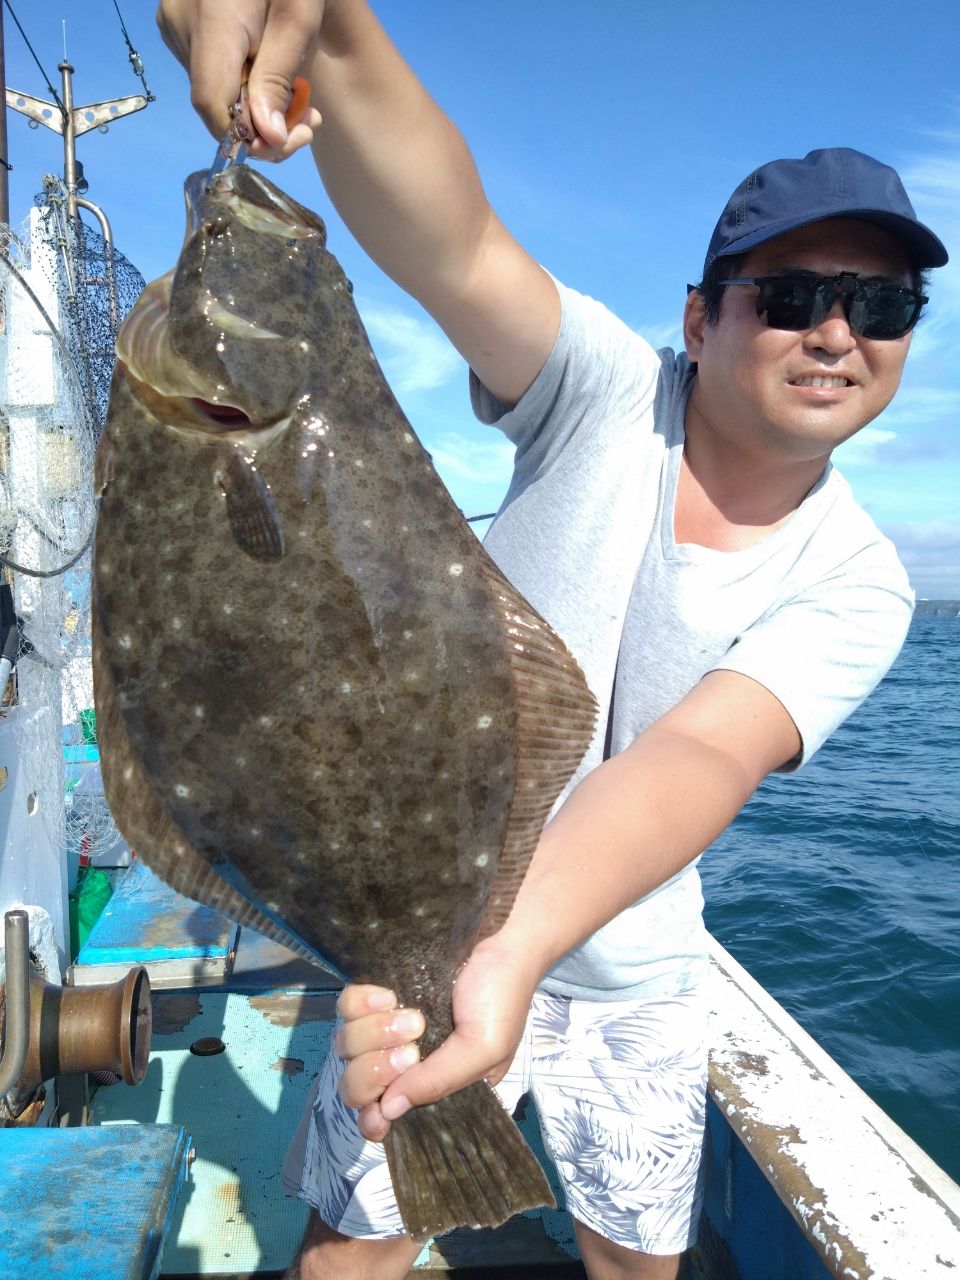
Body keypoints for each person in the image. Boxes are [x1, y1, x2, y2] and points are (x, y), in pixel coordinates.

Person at [157, 4, 948, 1278]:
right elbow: (454, 239)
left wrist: (515, 946)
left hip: (633, 973)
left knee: (637, 1261)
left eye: (884, 302)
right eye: (793, 295)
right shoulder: (602, 391)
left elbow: (700, 750)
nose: (838, 330)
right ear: (701, 322)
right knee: (350, 1249)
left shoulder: (863, 578)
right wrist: (337, 37)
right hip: (422, 931)